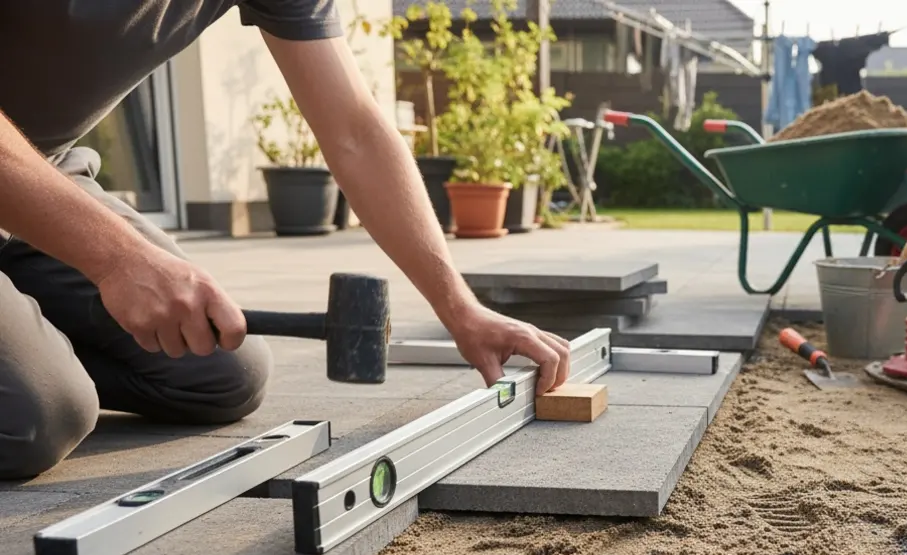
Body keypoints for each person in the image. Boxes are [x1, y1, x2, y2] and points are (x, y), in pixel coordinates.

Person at [0, 0, 572, 480]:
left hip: (38, 177)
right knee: (40, 416)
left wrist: (460, 308)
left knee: (220, 374)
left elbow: (354, 131)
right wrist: (117, 257)